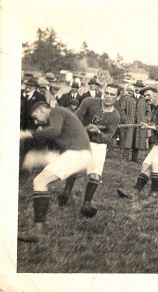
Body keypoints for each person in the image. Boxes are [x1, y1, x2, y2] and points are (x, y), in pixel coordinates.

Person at [18, 101, 92, 242]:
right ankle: (19, 185)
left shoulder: (56, 111)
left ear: (42, 110)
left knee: (39, 181)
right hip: (76, 154)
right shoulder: (57, 117)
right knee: (32, 158)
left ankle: (37, 231)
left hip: (77, 154)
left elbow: (54, 131)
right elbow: (52, 136)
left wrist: (28, 133)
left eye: (35, 117)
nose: (35, 121)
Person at [57, 84, 121, 217]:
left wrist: (98, 132)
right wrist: (84, 128)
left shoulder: (115, 115)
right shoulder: (89, 102)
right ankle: (66, 193)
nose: (108, 97)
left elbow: (108, 139)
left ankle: (86, 203)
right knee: (75, 168)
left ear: (117, 97)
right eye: (107, 93)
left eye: (112, 94)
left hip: (98, 144)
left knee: (95, 174)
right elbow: (75, 118)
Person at [119, 87, 158, 198]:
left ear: (157, 95)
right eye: (145, 96)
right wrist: (150, 127)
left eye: (149, 95)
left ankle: (153, 194)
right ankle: (135, 192)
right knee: (146, 164)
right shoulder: (154, 110)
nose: (146, 98)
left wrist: (150, 127)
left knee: (156, 163)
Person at [119, 85, 149, 162]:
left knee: (137, 139)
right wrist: (125, 119)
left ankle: (134, 158)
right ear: (134, 88)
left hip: (140, 123)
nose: (137, 88)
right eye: (136, 86)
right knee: (128, 139)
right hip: (130, 123)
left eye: (139, 87)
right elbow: (122, 110)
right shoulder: (127, 98)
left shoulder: (145, 100)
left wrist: (145, 119)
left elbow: (149, 112)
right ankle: (125, 157)